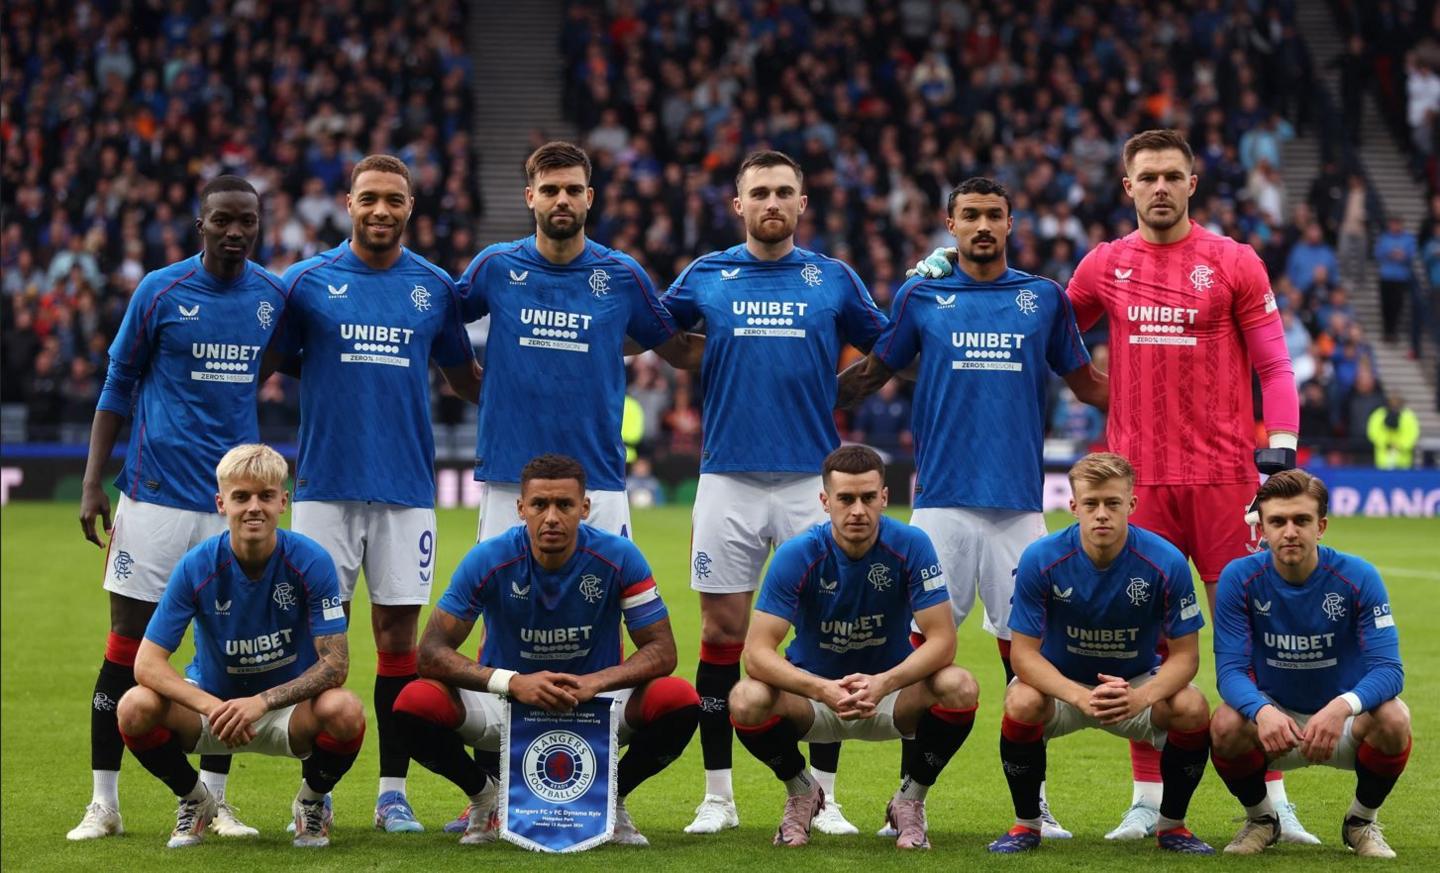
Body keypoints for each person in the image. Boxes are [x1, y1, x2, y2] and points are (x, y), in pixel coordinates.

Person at [916, 129, 1308, 841]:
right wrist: (950, 282)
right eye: (1146, 176)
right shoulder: (1104, 267)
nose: (1159, 187)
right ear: (1126, 187)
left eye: (1171, 175)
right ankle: (1147, 797)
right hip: (1137, 483)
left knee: (1247, 638)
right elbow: (1032, 324)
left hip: (1223, 479)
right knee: (1142, 640)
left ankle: (1272, 799)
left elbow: (1276, 367)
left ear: (1193, 182)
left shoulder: (1234, 262)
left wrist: (1278, 452)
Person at [839, 177, 1108, 837]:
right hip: (941, 509)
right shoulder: (921, 295)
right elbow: (874, 371)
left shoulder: (1041, 298)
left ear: (1012, 221)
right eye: (971, 215)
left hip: (1019, 508)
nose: (983, 225)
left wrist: (1168, 397)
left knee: (1029, 660)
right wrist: (785, 380)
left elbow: (1087, 383)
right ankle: (909, 799)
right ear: (950, 224)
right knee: (925, 654)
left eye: (994, 214)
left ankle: (1032, 803)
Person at [661, 150, 888, 836]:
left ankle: (823, 795)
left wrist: (846, 389)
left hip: (807, 484)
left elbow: (888, 347)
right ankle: (717, 796)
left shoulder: (833, 278)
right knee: (722, 633)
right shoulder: (707, 272)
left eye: (783, 192)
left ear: (802, 203)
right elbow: (663, 336)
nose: (771, 202)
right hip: (726, 477)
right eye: (758, 192)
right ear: (738, 205)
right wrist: (711, 354)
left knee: (822, 634)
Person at [70, 175, 287, 841]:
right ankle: (104, 803)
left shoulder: (273, 297)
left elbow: (288, 363)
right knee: (123, 650)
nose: (233, 230)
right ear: (200, 221)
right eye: (222, 218)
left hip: (234, 507)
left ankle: (211, 803)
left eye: (244, 220)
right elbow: (117, 383)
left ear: (258, 224)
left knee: (230, 656)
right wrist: (91, 482)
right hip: (154, 499)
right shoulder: (160, 290)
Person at [276, 154, 481, 832]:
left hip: (405, 488)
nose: (382, 211)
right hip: (324, 489)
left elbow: (466, 379)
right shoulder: (306, 283)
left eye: (395, 200)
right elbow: (263, 359)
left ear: (411, 207)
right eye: (370, 199)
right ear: (348, 202)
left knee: (398, 639)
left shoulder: (435, 289)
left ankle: (392, 791)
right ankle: (318, 790)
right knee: (321, 645)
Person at [390, 454, 699, 845]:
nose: (551, 517)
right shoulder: (489, 559)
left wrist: (594, 683)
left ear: (584, 508)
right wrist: (513, 682)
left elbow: (662, 651)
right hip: (509, 704)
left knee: (679, 699)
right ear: (521, 508)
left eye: (564, 505)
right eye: (539, 505)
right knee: (414, 703)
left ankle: (611, 800)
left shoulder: (619, 557)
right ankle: (486, 799)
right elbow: (430, 653)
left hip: (594, 707)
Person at [113, 444, 365, 848]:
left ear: (283, 501)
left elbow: (335, 666)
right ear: (221, 503)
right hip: (214, 710)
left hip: (286, 711)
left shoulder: (312, 561)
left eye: (266, 496)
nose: (254, 508)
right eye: (241, 496)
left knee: (346, 710)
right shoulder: (196, 565)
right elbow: (147, 664)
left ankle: (312, 802)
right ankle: (195, 799)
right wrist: (214, 708)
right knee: (133, 707)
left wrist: (262, 702)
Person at [729, 445, 980, 849]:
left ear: (884, 496)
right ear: (825, 501)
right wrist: (820, 689)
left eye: (868, 497)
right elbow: (756, 652)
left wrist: (884, 683)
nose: (858, 510)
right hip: (815, 697)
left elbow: (943, 640)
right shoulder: (798, 554)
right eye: (846, 499)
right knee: (745, 698)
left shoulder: (912, 545)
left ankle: (909, 800)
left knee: (960, 686)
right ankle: (801, 792)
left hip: (891, 695)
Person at [456, 141, 700, 544]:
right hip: (509, 477)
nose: (562, 200)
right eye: (550, 190)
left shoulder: (622, 275)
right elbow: (438, 322)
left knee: (601, 605)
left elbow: (675, 346)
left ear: (589, 197)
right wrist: (466, 376)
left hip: (597, 478)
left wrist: (749, 341)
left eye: (572, 190)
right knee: (506, 605)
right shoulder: (496, 266)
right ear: (530, 197)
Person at [986, 453, 1214, 855]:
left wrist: (1139, 697)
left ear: (1132, 504)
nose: (1101, 514)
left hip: (1135, 685)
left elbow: (1185, 657)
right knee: (1020, 699)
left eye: (1112, 503)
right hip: (1065, 686)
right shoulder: (1042, 558)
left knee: (1193, 707)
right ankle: (1026, 825)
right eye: (1091, 504)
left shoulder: (1166, 562)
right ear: (1073, 506)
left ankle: (1172, 826)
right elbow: (1023, 655)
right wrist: (1077, 696)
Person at [1211, 470, 1409, 858]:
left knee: (1395, 718)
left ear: (1320, 526)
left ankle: (1361, 823)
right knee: (1225, 724)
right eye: (1278, 522)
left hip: (1346, 721)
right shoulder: (1239, 578)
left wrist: (1341, 708)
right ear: (1262, 529)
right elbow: (1230, 671)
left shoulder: (1359, 577)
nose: (1289, 532)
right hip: (1275, 723)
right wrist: (1262, 710)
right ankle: (1261, 820)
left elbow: (1390, 670)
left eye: (1301, 521)